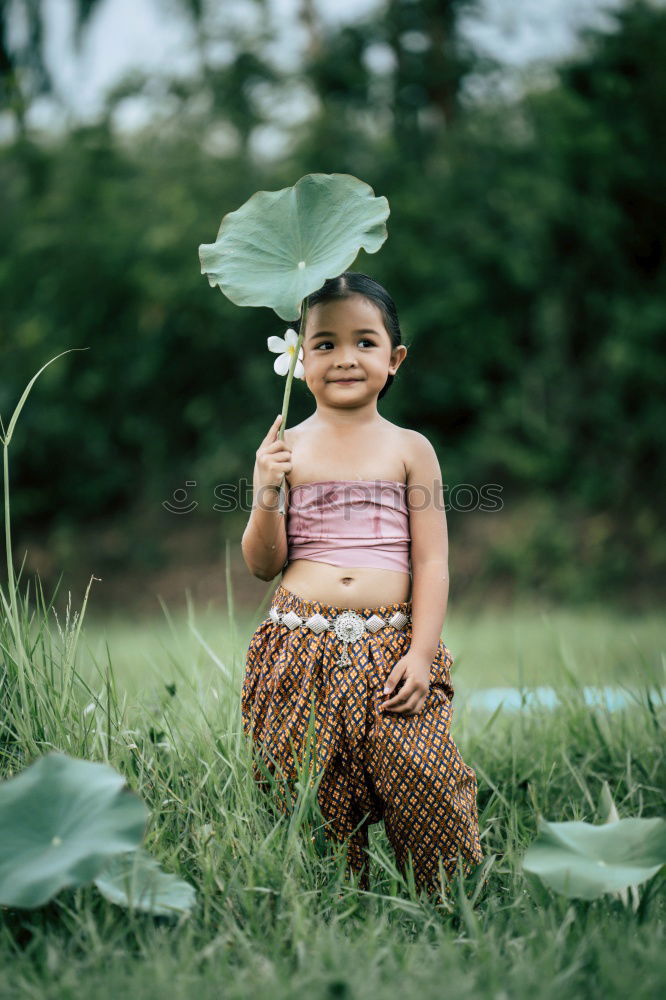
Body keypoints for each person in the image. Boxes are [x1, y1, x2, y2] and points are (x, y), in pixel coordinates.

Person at [240, 270, 483, 899]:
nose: (345, 358)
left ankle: (444, 899)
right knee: (307, 787)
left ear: (394, 358)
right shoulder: (286, 448)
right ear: (296, 360)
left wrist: (422, 655)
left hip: (390, 650)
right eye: (323, 344)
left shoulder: (409, 449)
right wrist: (266, 490)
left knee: (422, 773)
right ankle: (329, 902)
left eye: (364, 342)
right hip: (300, 647)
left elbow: (431, 563)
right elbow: (263, 565)